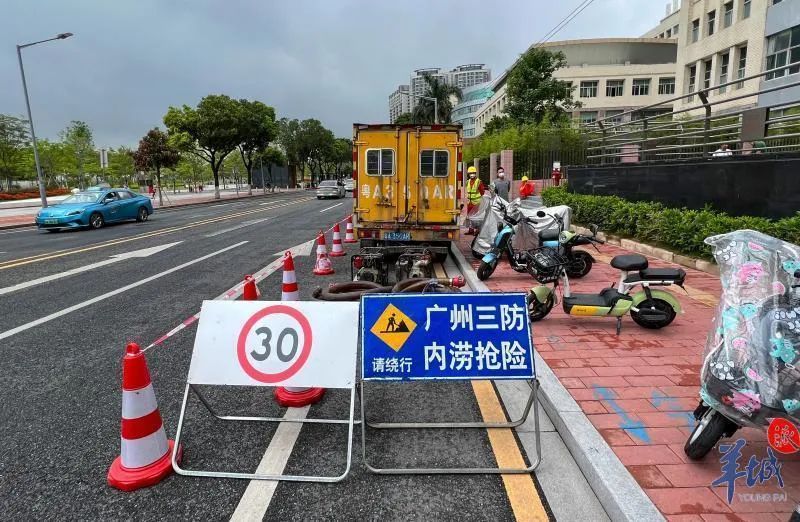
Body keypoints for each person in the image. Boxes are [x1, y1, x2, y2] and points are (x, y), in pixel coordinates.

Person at [465, 166, 485, 235]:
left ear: (475, 173)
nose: (472, 174)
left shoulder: (479, 182)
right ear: (468, 174)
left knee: (476, 217)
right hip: (469, 203)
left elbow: (482, 192)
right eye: (470, 173)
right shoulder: (467, 182)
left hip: (477, 203)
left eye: (473, 173)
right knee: (470, 216)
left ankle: (477, 230)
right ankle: (471, 230)